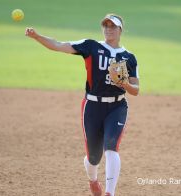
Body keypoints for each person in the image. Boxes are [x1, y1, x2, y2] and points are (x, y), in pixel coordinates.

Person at [25, 13, 139, 196]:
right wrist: (37, 37)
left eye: (113, 26)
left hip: (117, 107)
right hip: (92, 108)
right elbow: (58, 45)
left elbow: (136, 89)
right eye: (106, 26)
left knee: (111, 147)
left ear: (120, 30)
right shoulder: (91, 46)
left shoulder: (129, 57)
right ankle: (93, 180)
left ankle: (110, 193)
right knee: (93, 158)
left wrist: (124, 83)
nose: (109, 29)